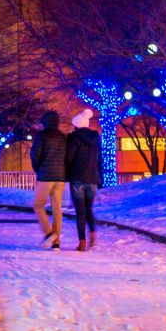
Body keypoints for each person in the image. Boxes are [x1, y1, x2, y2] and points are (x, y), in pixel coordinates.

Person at [65, 108, 102, 252]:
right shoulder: (95, 138)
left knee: (80, 212)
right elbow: (100, 160)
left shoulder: (73, 138)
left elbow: (69, 158)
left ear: (76, 125)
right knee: (89, 209)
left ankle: (81, 242)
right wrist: (100, 178)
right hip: (92, 178)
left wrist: (66, 174)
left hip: (77, 178)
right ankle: (92, 234)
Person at [30, 110, 67, 249]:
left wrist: (38, 169)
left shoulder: (42, 136)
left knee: (38, 205)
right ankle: (56, 242)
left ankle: (49, 233)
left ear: (45, 122)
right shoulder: (64, 137)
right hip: (60, 176)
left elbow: (35, 154)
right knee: (57, 208)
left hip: (46, 175)